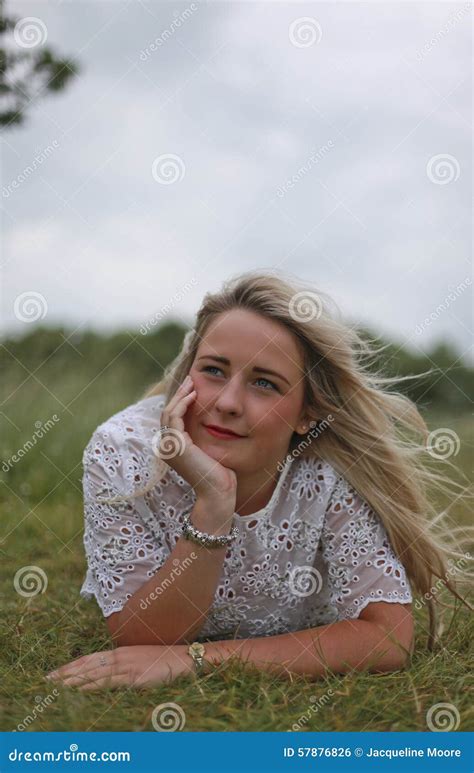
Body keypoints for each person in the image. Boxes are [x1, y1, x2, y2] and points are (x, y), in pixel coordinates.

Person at [45, 271, 472, 691]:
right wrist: (214, 503)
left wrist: (199, 659)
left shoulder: (329, 471)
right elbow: (140, 642)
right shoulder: (123, 450)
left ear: (308, 415)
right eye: (213, 370)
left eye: (264, 383)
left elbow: (388, 636)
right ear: (187, 373)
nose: (228, 403)